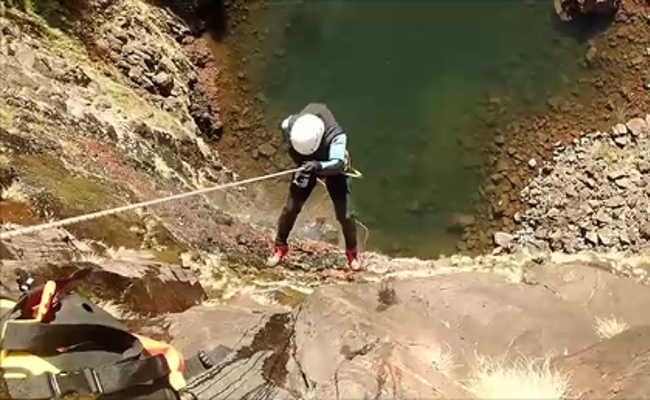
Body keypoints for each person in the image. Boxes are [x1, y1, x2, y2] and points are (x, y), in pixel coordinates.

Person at [267, 103, 361, 270]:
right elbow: (284, 132)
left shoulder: (336, 137)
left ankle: (352, 253)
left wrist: (318, 166)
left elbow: (338, 163)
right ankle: (280, 246)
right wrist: (302, 165)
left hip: (330, 167)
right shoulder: (291, 126)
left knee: (345, 215)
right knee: (290, 208)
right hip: (306, 165)